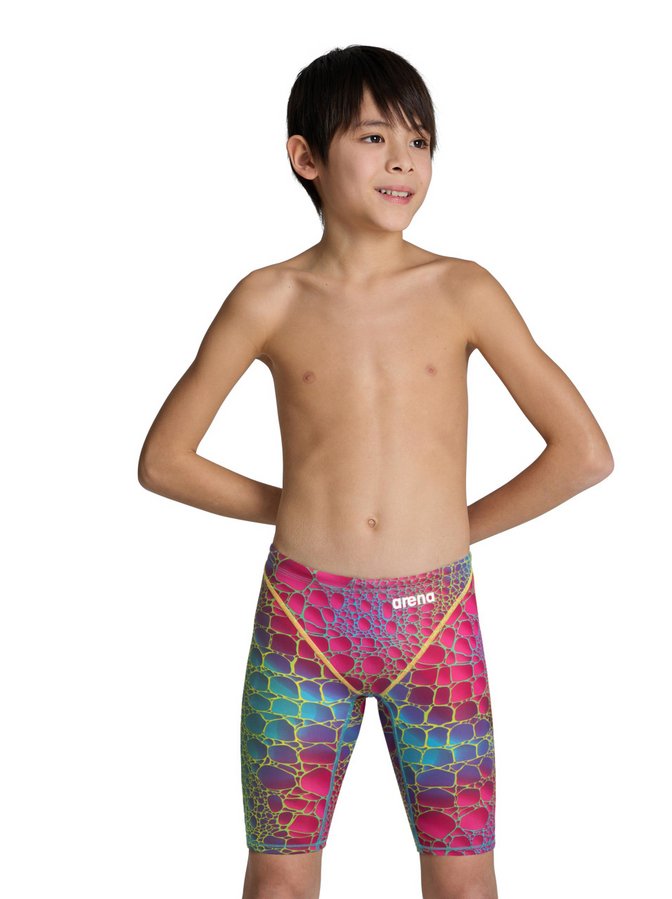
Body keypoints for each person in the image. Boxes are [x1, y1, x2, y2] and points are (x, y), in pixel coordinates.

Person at [138, 44, 614, 899]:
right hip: (302, 623)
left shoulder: (463, 290)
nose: (403, 160)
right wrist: (306, 503)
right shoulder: (268, 297)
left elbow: (582, 452)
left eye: (420, 140)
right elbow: (165, 460)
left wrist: (452, 526)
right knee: (279, 882)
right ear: (306, 157)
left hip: (436, 625)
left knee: (464, 883)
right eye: (373, 136)